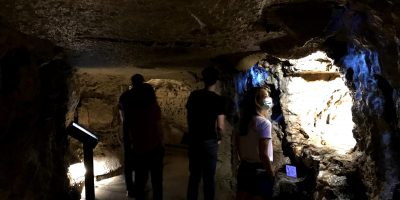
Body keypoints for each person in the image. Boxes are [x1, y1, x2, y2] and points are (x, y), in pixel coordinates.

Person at [119, 74, 164, 200]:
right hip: (153, 146)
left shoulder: (126, 98)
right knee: (157, 180)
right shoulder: (153, 108)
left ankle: (131, 190)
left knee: (137, 174)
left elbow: (123, 116)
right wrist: (161, 142)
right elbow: (159, 128)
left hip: (136, 143)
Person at [186, 66, 226, 200]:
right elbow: (220, 126)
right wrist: (219, 138)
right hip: (209, 141)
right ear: (216, 81)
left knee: (194, 175)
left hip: (194, 139)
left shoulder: (194, 95)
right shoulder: (218, 99)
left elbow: (189, 116)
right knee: (209, 177)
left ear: (204, 80)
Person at [236, 87, 275, 200]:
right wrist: (271, 174)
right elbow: (263, 154)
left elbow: (238, 148)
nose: (269, 99)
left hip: (244, 168)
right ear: (257, 101)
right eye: (265, 96)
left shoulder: (242, 121)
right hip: (259, 170)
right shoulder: (264, 123)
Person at [119, 74, 145, 198]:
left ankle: (130, 188)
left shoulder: (125, 96)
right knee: (141, 160)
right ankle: (140, 187)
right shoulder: (144, 96)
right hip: (141, 131)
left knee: (128, 161)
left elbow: (121, 111)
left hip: (128, 130)